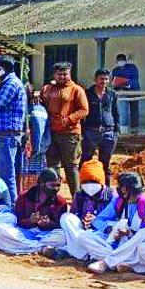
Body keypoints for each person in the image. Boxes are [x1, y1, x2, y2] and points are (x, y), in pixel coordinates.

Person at [71, 172, 145, 274]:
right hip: (119, 245)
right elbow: (98, 220)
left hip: (139, 250)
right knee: (85, 237)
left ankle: (107, 262)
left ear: (125, 189)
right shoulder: (119, 201)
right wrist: (109, 228)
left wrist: (130, 233)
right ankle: (127, 264)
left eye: (120, 186)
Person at [43, 159, 114, 259]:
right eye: (85, 182)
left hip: (100, 233)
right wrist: (83, 220)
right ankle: (83, 252)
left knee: (84, 238)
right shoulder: (80, 195)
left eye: (93, 181)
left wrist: (96, 221)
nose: (89, 185)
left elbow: (115, 222)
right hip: (81, 232)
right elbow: (74, 217)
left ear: (101, 182)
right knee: (66, 218)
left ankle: (75, 252)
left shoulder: (111, 197)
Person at [0, 168, 68, 255]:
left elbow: (59, 225)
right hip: (23, 233)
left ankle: (28, 247)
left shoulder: (61, 201)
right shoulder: (24, 197)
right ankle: (41, 248)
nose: (56, 189)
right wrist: (30, 220)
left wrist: (48, 223)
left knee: (64, 236)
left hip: (46, 235)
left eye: (58, 186)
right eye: (53, 185)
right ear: (42, 184)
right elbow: (17, 221)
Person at [41, 62, 89, 194]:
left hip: (70, 134)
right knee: (52, 165)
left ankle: (77, 199)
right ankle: (53, 197)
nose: (62, 77)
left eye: (65, 74)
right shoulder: (47, 89)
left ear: (70, 74)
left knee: (71, 166)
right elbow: (41, 105)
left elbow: (84, 110)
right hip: (51, 133)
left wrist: (68, 120)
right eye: (59, 74)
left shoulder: (77, 90)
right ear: (54, 75)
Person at [0, 57, 27, 200]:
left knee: (6, 175)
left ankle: (12, 207)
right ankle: (2, 201)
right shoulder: (4, 84)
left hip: (7, 136)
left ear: (2, 69)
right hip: (0, 135)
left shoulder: (11, 84)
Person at [82, 69, 119, 186]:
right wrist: (83, 131)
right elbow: (83, 112)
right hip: (91, 132)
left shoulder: (112, 94)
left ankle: (106, 190)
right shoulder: (87, 93)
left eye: (106, 79)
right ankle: (83, 187)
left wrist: (116, 132)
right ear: (95, 79)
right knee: (85, 161)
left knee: (105, 163)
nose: (104, 81)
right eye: (101, 78)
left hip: (108, 132)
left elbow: (116, 112)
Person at [110, 53, 139, 131]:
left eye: (122, 60)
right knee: (122, 110)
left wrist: (127, 83)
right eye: (119, 60)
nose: (120, 62)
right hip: (121, 92)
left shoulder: (132, 68)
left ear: (125, 60)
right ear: (116, 61)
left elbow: (135, 79)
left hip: (133, 91)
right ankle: (122, 126)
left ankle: (134, 127)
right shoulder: (115, 70)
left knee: (134, 109)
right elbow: (114, 82)